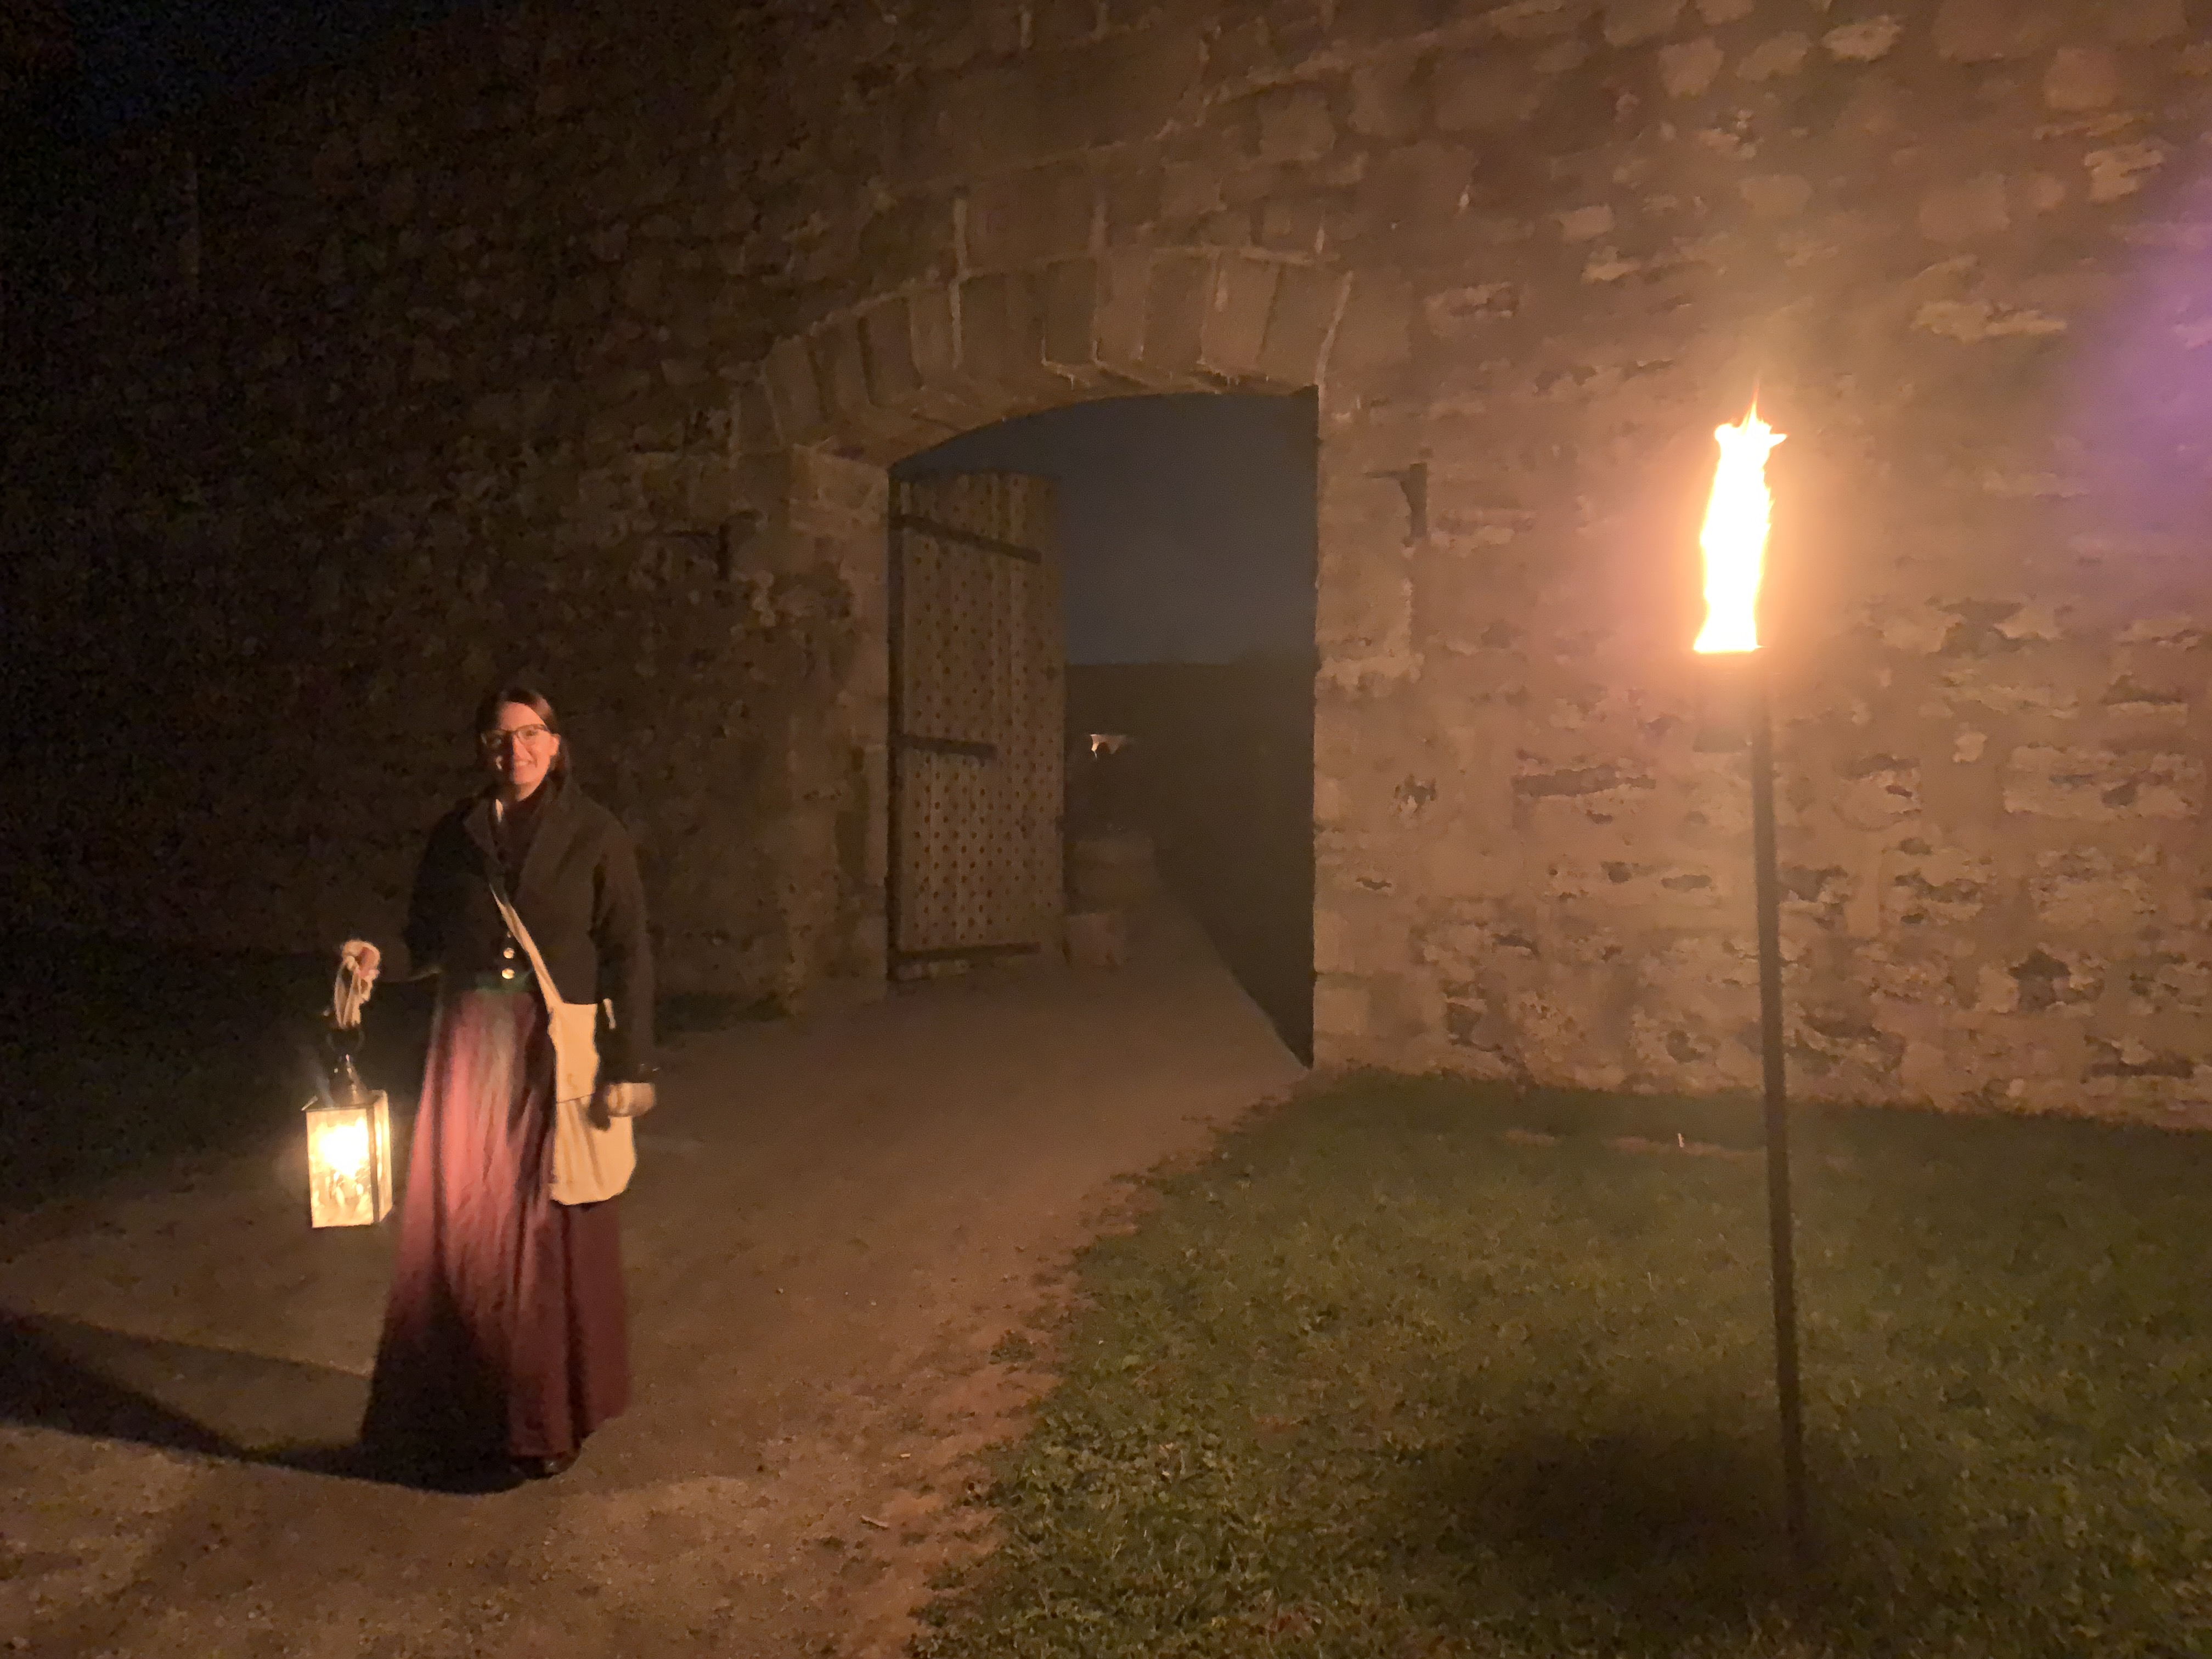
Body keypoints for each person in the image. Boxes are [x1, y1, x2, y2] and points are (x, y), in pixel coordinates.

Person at [337, 683, 656, 1482]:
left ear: (554, 743)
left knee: (542, 1235)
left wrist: (630, 1065)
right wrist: (380, 959)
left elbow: (629, 953)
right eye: (497, 740)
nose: (513, 752)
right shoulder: (458, 834)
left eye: (528, 736)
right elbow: (425, 938)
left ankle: (543, 1421)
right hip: (470, 1048)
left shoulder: (595, 833)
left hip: (551, 1050)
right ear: (484, 751)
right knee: (467, 1231)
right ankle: (457, 1412)